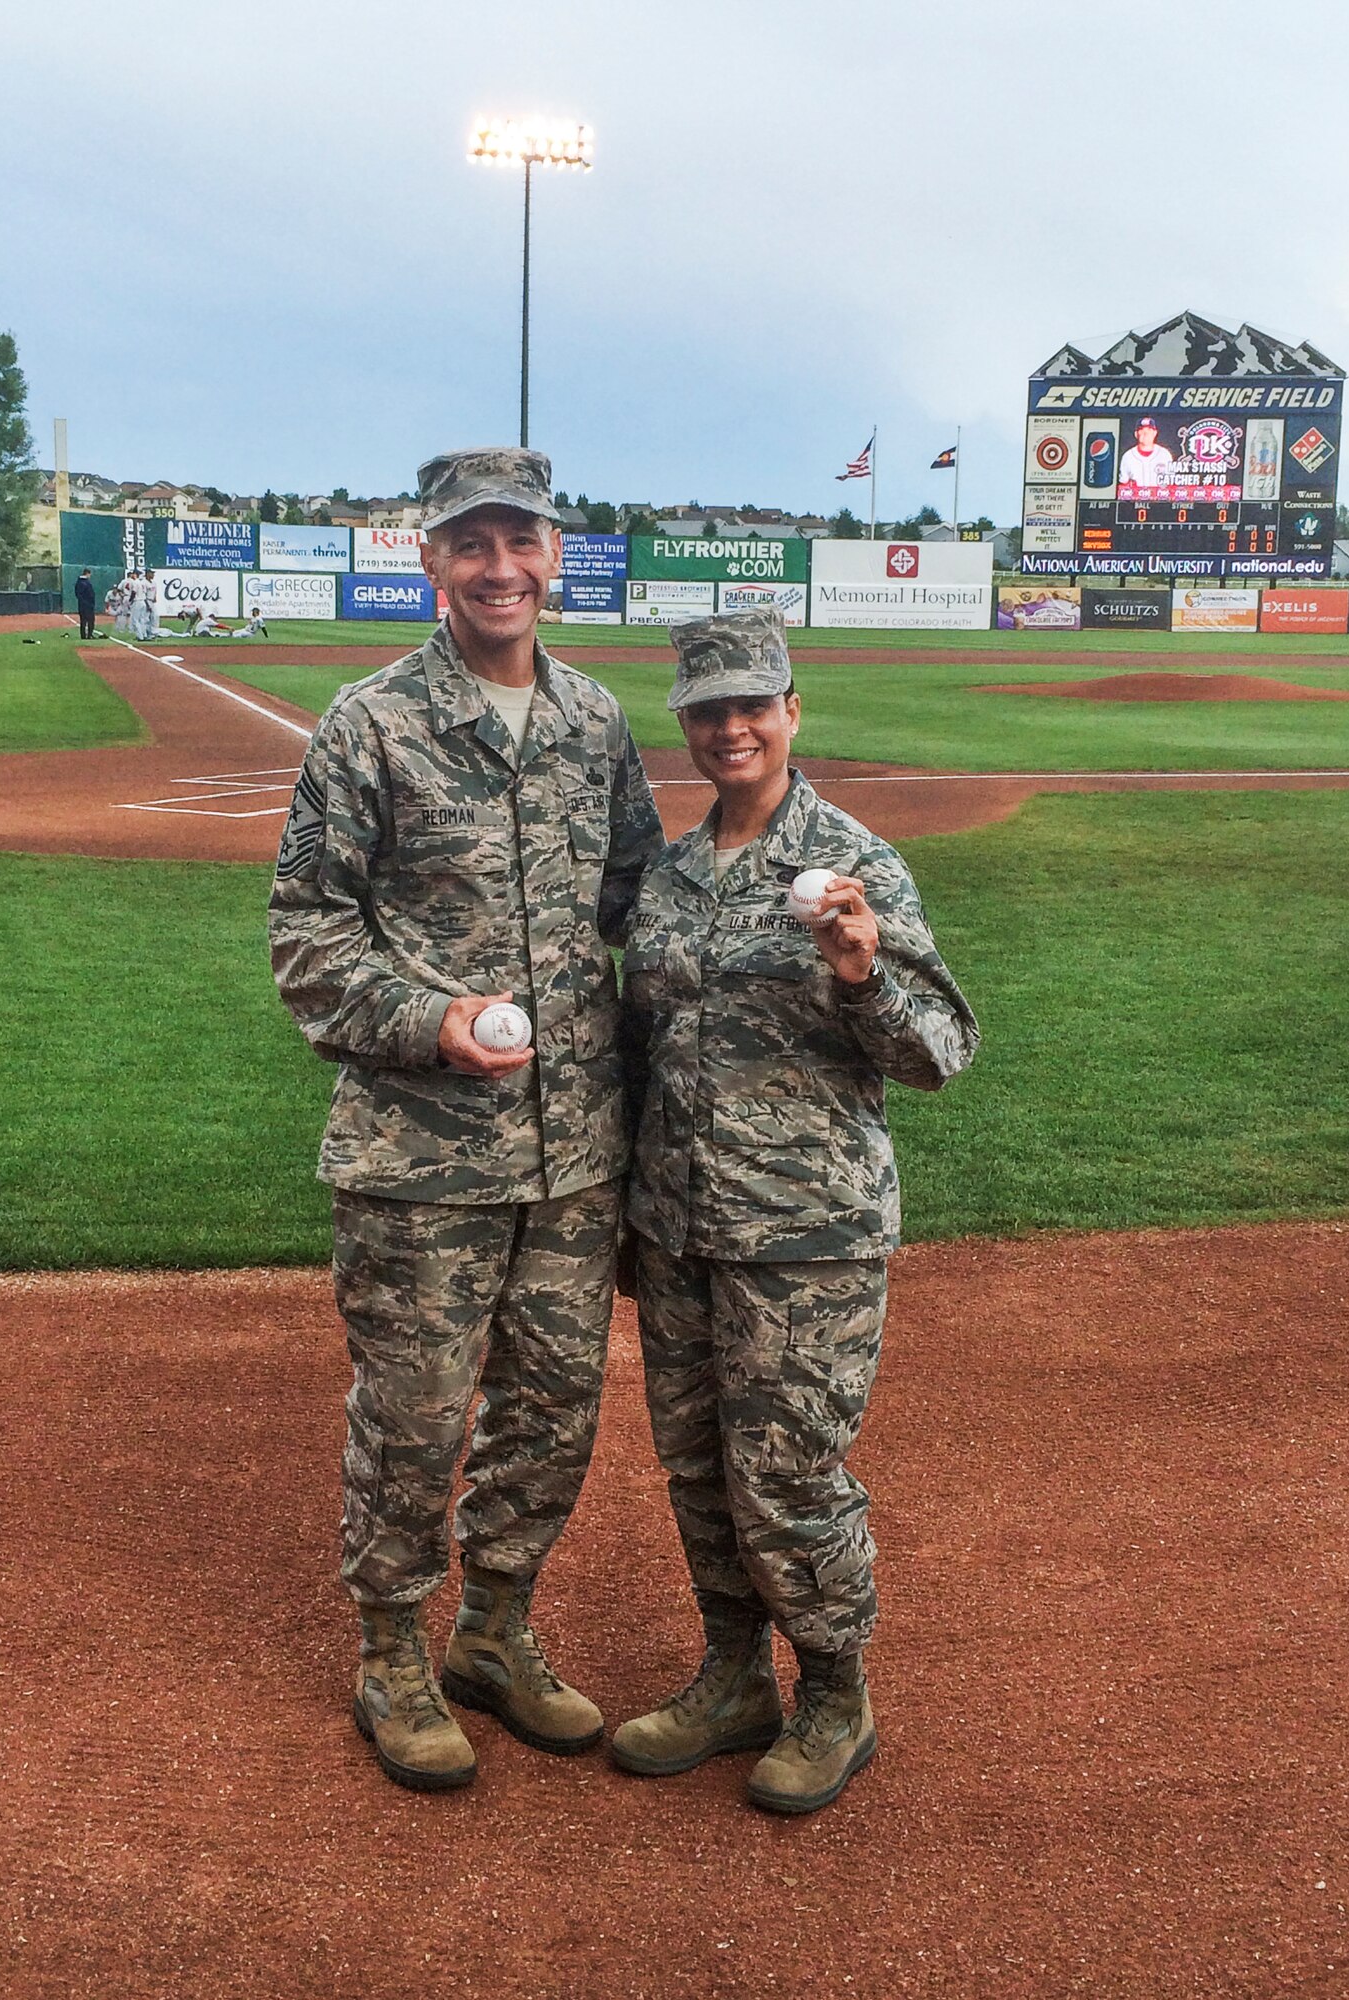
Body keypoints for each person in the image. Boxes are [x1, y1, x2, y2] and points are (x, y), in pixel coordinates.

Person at [270, 447, 664, 1795]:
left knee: (554, 1415)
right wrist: (424, 1022)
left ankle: (494, 1630)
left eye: (522, 542)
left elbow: (639, 906)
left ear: (555, 557)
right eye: (471, 544)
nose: (500, 568)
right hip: (420, 1158)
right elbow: (308, 933)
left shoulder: (594, 723)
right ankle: (391, 1650)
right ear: (430, 563)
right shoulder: (370, 725)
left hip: (571, 1158)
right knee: (418, 1415)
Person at [610, 606, 979, 1816]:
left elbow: (939, 1050)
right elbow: (641, 1045)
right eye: (708, 709)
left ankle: (833, 1688)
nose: (731, 727)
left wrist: (863, 971)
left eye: (752, 705)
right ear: (688, 723)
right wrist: (624, 1208)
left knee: (788, 1471)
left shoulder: (850, 860)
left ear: (791, 711)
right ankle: (733, 1676)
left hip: (806, 1234)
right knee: (699, 1466)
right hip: (679, 1227)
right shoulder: (668, 874)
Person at [1119, 415, 1175, 488]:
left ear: (1155, 433)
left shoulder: (1164, 454)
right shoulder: (1127, 456)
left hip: (1160, 498)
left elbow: (1171, 483)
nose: (1145, 434)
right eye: (1141, 430)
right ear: (1136, 434)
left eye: (1149, 430)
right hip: (1135, 499)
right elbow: (1123, 484)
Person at [74, 568, 97, 639]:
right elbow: (90, 594)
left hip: (81, 605)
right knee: (90, 621)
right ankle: (89, 635)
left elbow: (77, 594)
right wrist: (90, 603)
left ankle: (83, 635)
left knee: (83, 621)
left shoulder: (78, 582)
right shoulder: (86, 583)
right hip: (88, 605)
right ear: (87, 573)